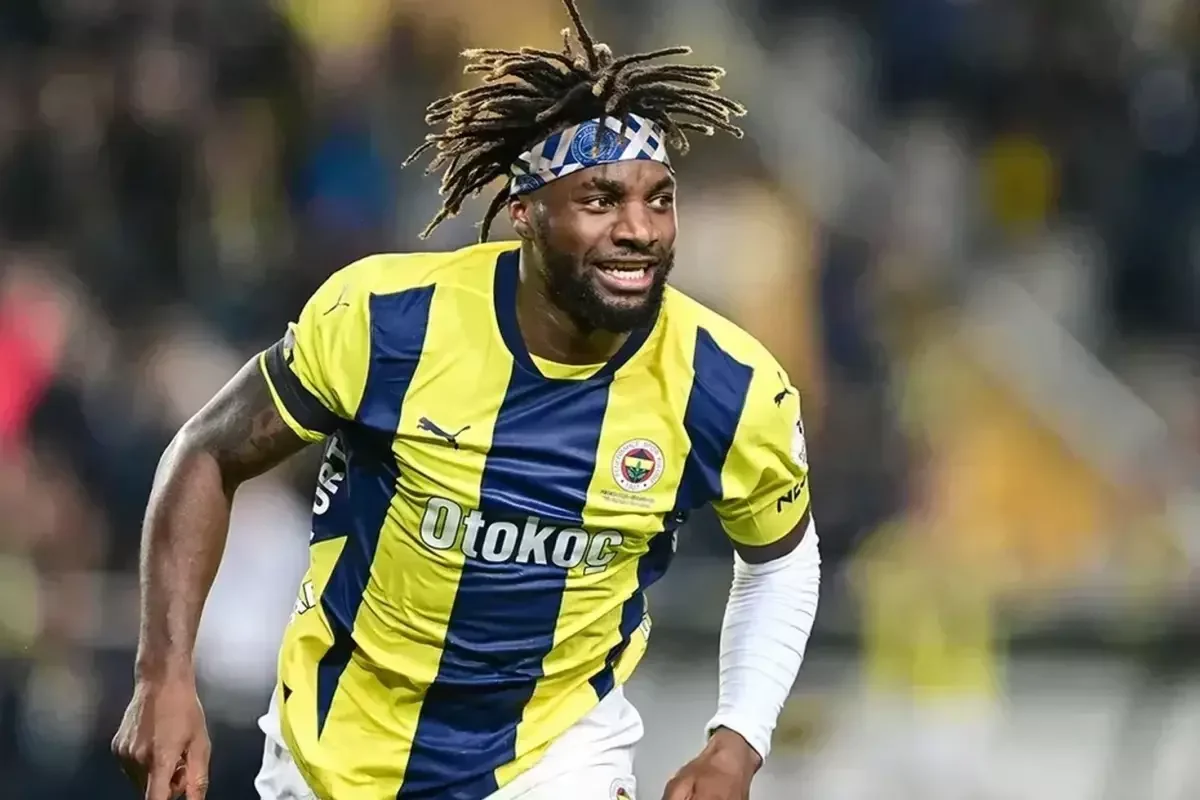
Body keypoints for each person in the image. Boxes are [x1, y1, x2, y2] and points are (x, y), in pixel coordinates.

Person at [111, 1, 821, 798]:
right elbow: (208, 452)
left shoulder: (727, 385)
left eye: (659, 199)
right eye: (600, 201)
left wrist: (738, 741)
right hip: (336, 755)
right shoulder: (388, 322)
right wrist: (163, 674)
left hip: (554, 761)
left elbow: (782, 559)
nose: (641, 230)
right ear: (524, 212)